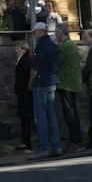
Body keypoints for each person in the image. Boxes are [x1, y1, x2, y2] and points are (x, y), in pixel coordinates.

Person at [30, 23, 62, 158]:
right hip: (52, 81)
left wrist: (30, 82)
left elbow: (35, 66)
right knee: (52, 114)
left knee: (41, 115)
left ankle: (43, 146)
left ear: (39, 32)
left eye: (34, 33)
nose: (34, 36)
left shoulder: (41, 45)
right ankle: (57, 145)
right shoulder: (53, 45)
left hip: (41, 82)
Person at [55, 24, 85, 150]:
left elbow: (57, 62)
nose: (56, 36)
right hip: (72, 83)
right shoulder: (71, 45)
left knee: (70, 114)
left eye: (56, 34)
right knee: (72, 113)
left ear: (60, 34)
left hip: (67, 84)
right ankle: (77, 139)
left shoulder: (65, 47)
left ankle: (75, 141)